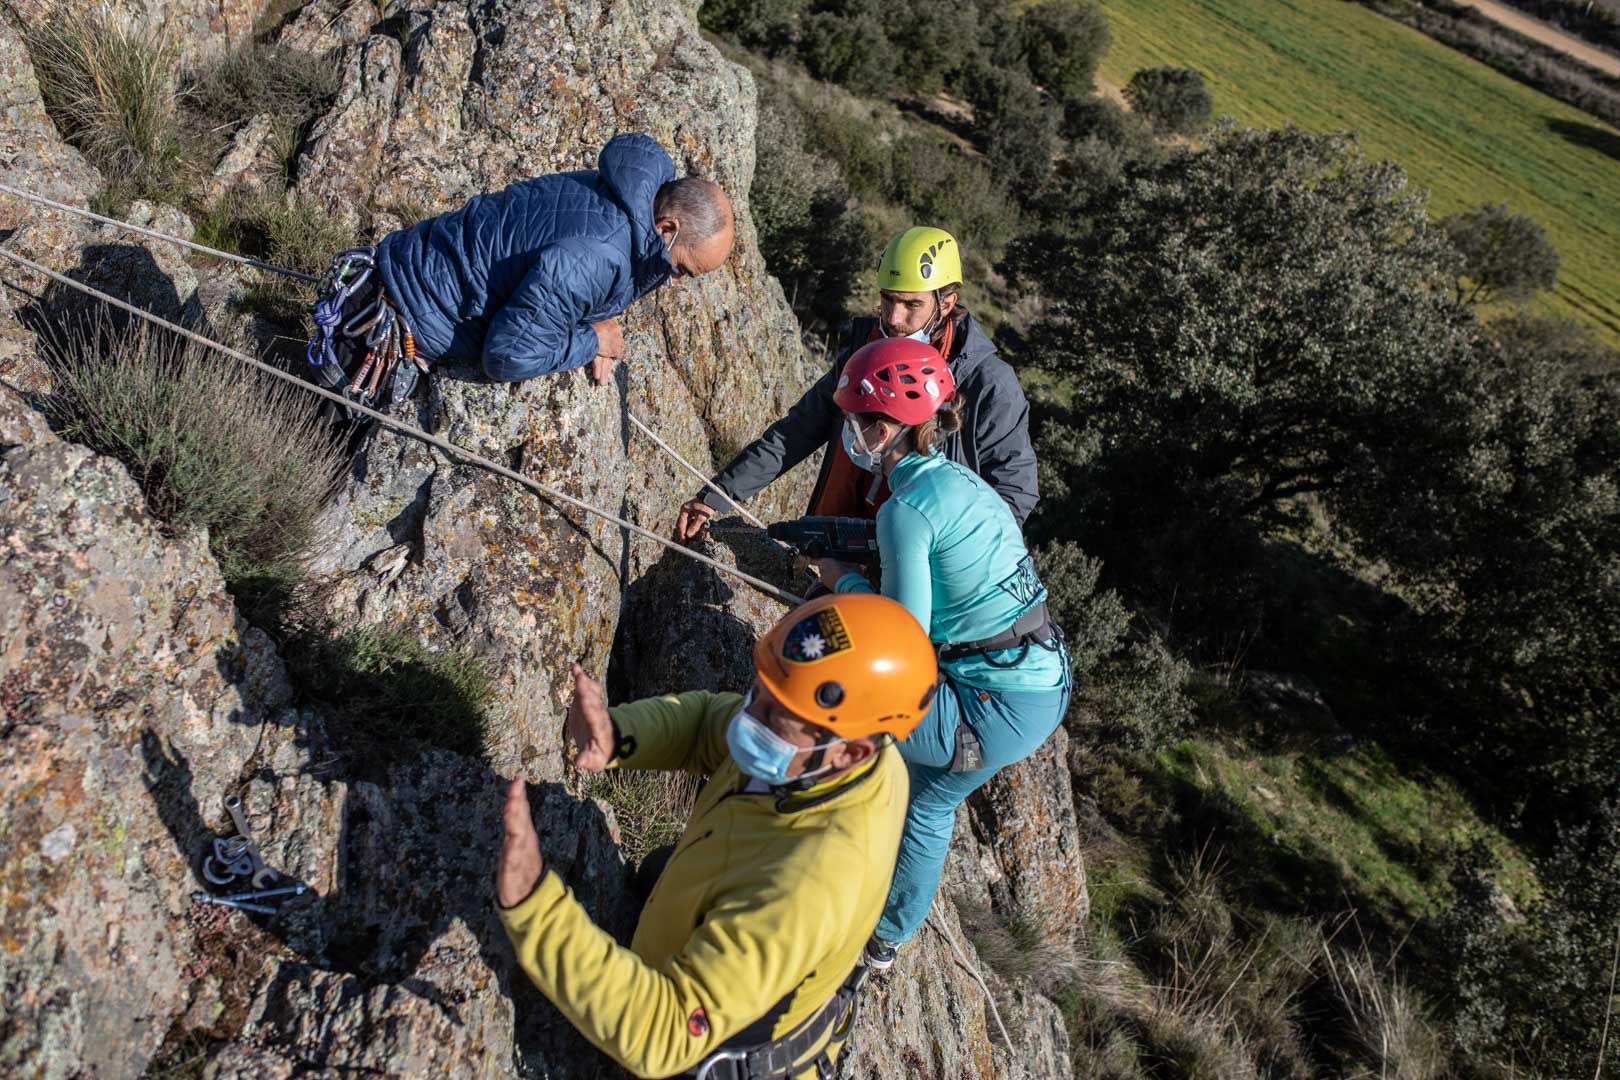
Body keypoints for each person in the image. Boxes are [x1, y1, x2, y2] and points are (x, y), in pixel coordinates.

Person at [495, 592, 938, 1080]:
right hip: (733, 887)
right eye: (760, 690)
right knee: (659, 866)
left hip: (705, 1047)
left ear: (849, 753)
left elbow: (663, 1034)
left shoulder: (807, 886)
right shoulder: (844, 753)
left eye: (775, 718)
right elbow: (709, 723)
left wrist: (535, 909)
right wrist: (619, 733)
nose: (750, 718)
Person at [810, 336, 1071, 971]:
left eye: (853, 419)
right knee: (928, 803)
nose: (847, 431)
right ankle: (887, 940)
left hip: (990, 704)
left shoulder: (907, 510)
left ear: (882, 429)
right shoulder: (957, 480)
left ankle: (808, 873)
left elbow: (901, 637)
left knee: (833, 714)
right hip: (1037, 684)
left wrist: (835, 580)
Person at [306, 133, 735, 406]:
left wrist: (592, 309)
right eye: (681, 270)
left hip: (388, 270)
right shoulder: (602, 255)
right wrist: (590, 340)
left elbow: (562, 259)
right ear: (666, 227)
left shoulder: (621, 194)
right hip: (383, 336)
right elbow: (507, 356)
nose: (675, 281)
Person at [674, 226, 1037, 542]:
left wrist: (952, 561)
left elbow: (1014, 493)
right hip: (843, 545)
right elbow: (798, 431)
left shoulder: (987, 384)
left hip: (923, 561)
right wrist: (718, 496)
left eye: (911, 304)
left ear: (947, 303)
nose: (894, 318)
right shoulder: (866, 350)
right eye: (888, 300)